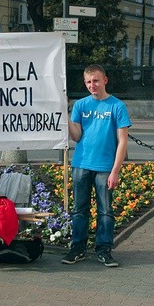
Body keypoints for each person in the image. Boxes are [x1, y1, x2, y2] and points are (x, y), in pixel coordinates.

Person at [62, 64, 131, 267]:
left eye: (96, 81)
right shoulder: (81, 105)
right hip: (81, 164)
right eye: (89, 82)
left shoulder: (117, 106)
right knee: (79, 210)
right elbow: (77, 136)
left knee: (105, 211)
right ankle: (78, 248)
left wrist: (115, 171)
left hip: (105, 167)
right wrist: (64, 114)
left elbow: (123, 141)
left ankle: (104, 250)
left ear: (105, 81)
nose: (92, 85)